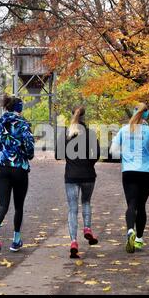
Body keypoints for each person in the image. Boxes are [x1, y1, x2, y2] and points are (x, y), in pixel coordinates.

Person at [110, 103, 149, 253]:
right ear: (146, 115)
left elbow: (113, 151)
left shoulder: (123, 130)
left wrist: (126, 158)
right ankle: (139, 239)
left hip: (129, 172)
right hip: (146, 172)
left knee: (131, 204)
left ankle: (129, 231)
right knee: (142, 205)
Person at [0, 96, 35, 252]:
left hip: (3, 168)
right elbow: (30, 150)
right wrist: (24, 154)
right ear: (19, 109)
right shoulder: (23, 124)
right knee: (18, 206)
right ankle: (16, 241)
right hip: (19, 168)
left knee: (3, 205)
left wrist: (0, 151)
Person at [56, 106, 100, 258]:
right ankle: (87, 229)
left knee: (72, 209)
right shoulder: (91, 134)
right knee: (86, 202)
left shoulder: (66, 134)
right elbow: (97, 155)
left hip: (71, 176)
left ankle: (74, 241)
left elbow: (58, 155)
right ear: (84, 116)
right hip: (88, 175)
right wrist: (88, 163)